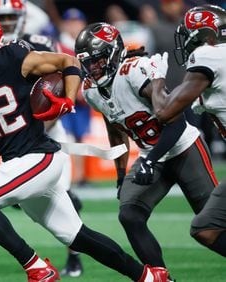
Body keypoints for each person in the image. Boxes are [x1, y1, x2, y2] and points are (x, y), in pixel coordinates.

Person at [0, 9, 169, 281]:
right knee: (79, 237)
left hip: (39, 156)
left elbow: (68, 62)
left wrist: (67, 100)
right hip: (15, 162)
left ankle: (36, 268)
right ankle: (148, 277)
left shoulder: (13, 56)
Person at [74, 22, 218, 278]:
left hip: (184, 148)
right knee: (129, 214)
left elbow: (175, 124)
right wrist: (121, 174)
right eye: (89, 63)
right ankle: (161, 277)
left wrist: (150, 161)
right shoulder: (91, 90)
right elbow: (115, 130)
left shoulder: (135, 70)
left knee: (212, 226)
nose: (93, 68)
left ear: (114, 52)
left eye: (98, 60)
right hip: (151, 154)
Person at [0, 0, 83, 277]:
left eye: (10, 16)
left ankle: (73, 255)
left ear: (22, 18)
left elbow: (64, 73)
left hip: (46, 132)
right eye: (0, 17)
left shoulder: (36, 43)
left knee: (63, 196)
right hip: (13, 138)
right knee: (20, 202)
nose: (5, 22)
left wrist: (54, 113)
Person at [142, 4, 226, 257]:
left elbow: (165, 112)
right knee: (206, 228)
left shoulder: (208, 55)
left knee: (206, 228)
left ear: (205, 36)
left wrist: (156, 78)